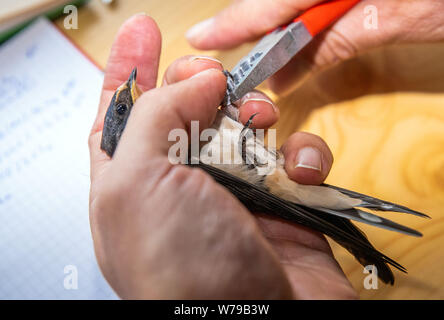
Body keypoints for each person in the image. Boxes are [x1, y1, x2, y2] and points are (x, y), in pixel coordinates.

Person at [89, 0, 443, 299]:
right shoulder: (165, 157)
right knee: (334, 202)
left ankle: (358, 216)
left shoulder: (161, 157)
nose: (133, 92)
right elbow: (241, 183)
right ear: (129, 125)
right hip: (261, 184)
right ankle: (357, 217)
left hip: (257, 176)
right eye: (124, 108)